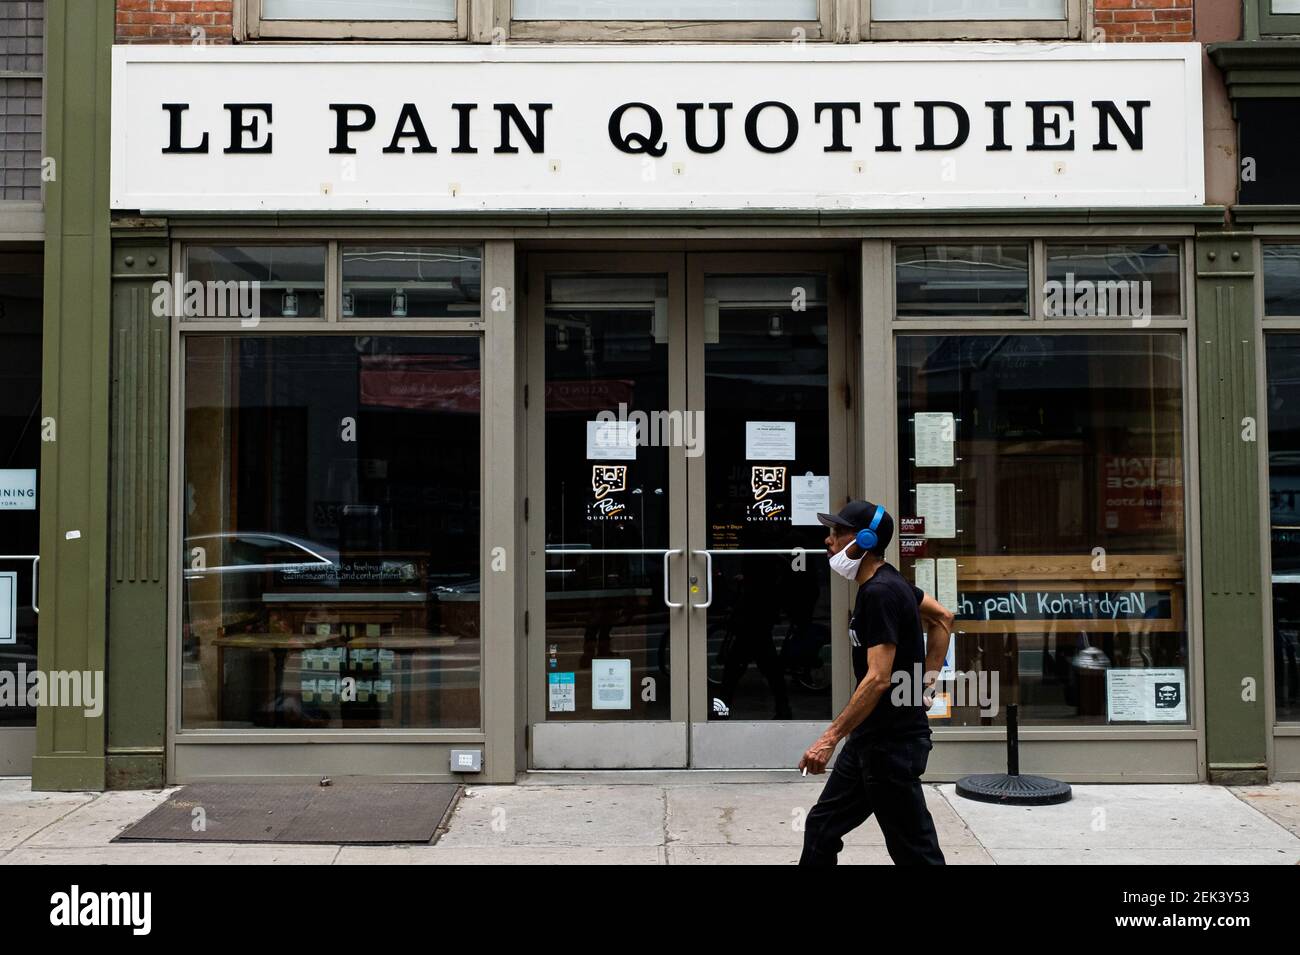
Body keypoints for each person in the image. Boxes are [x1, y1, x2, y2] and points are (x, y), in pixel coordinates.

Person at [798, 500, 954, 866]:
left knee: (915, 852)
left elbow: (878, 678)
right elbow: (943, 617)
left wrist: (827, 739)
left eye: (836, 533)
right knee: (821, 828)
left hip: (891, 747)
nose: (828, 541)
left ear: (863, 540)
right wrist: (925, 685)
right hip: (872, 740)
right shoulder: (890, 583)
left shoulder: (880, 593)